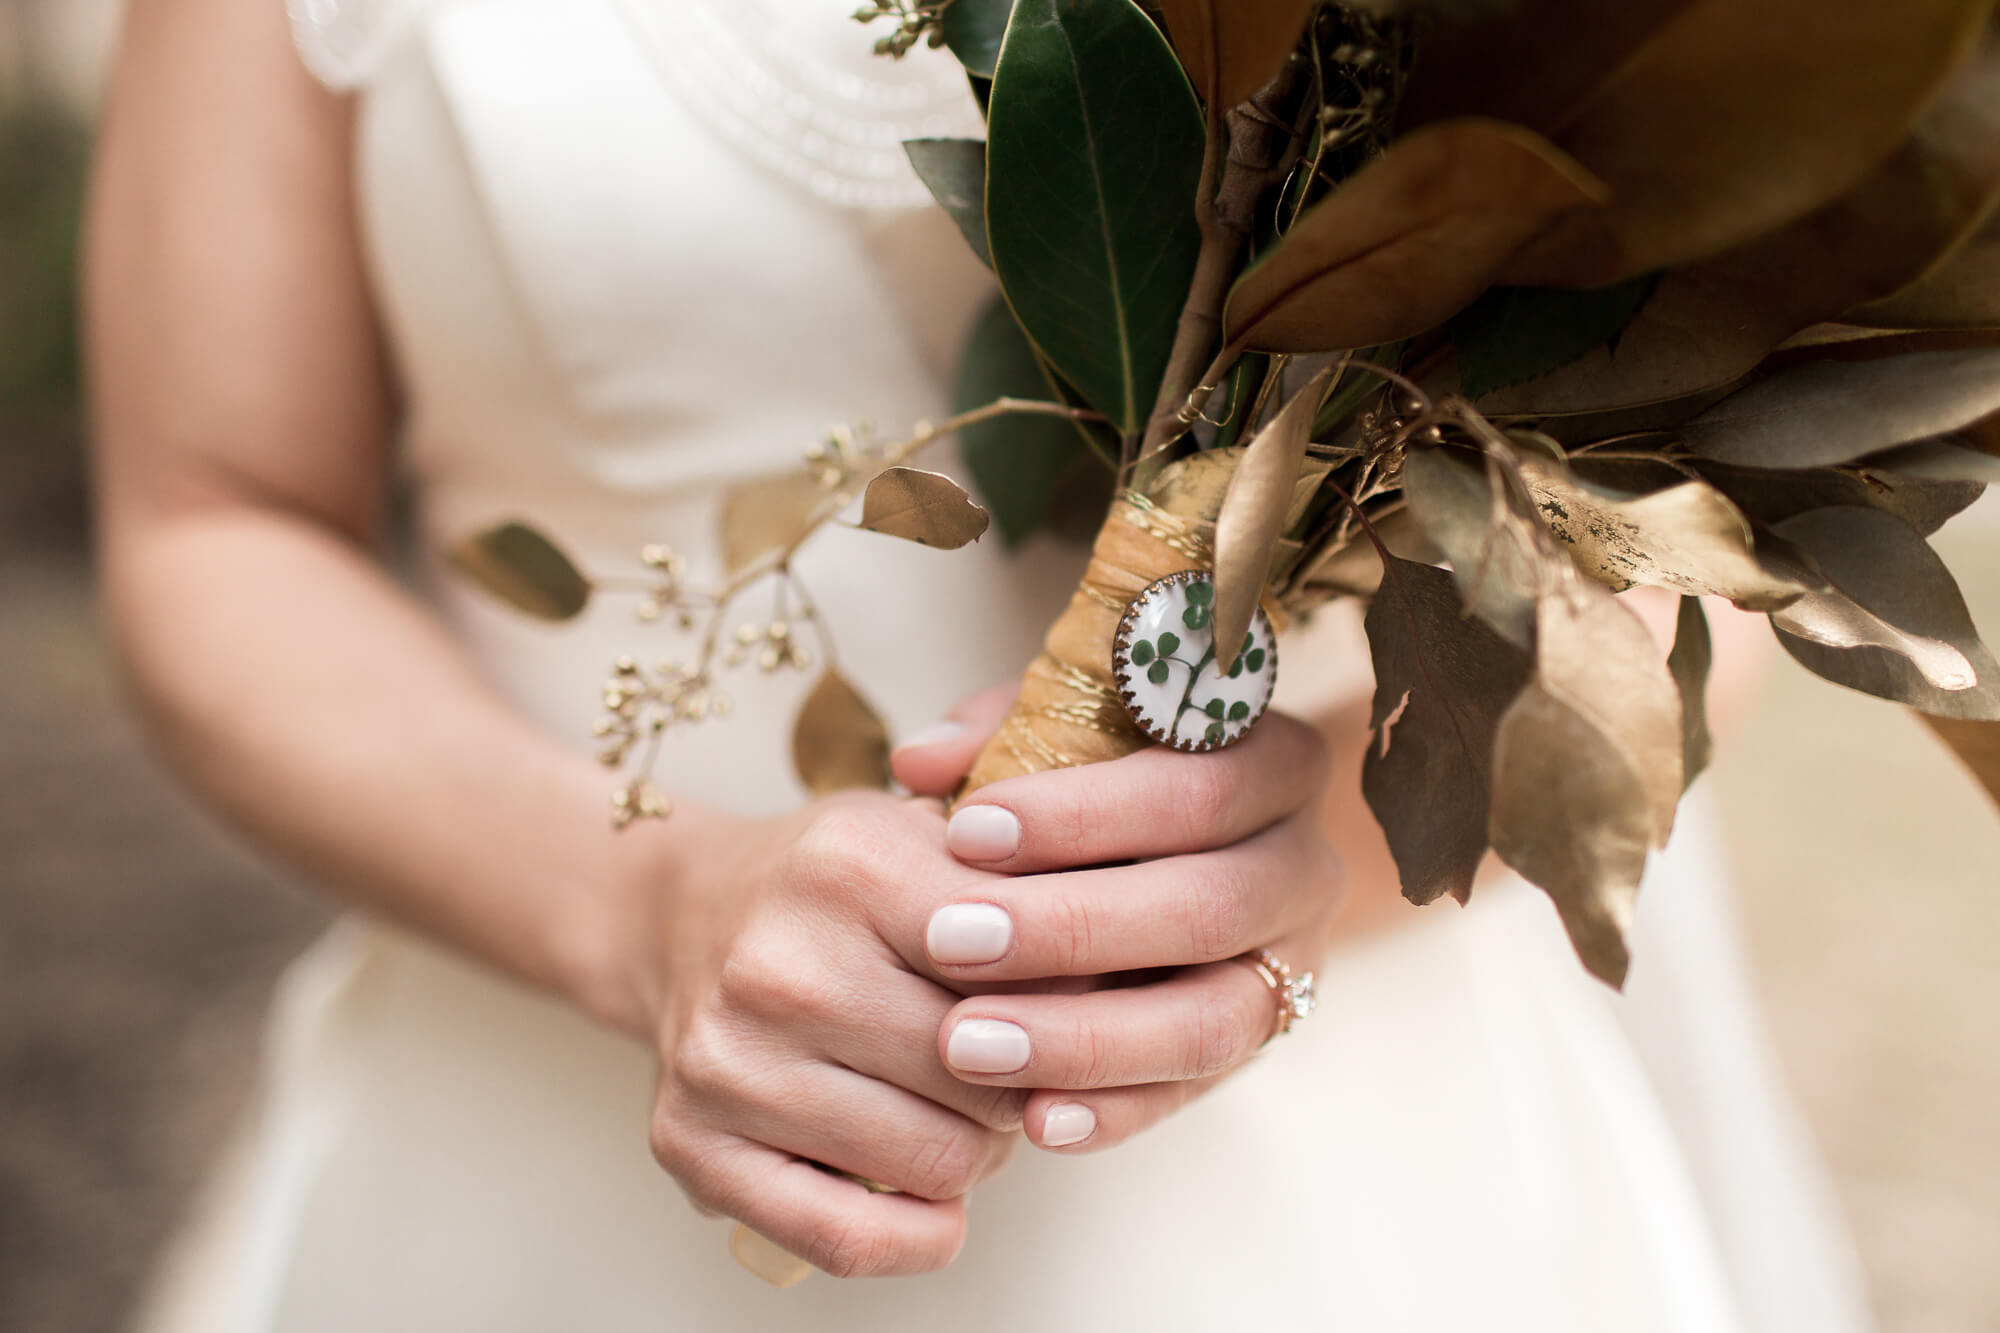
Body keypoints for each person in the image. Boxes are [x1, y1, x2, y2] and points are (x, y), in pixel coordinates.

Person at [90, 0, 1873, 1328]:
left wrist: (1290, 863)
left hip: (1333, 1183)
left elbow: (1687, 553)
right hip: (530, 1162)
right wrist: (642, 911)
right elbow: (215, 517)